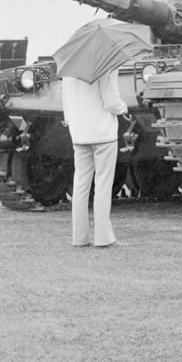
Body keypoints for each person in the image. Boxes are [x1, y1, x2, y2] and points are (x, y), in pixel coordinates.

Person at [62, 68, 128, 248]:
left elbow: (66, 102)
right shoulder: (106, 64)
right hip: (102, 132)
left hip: (79, 133)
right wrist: (124, 108)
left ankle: (79, 237)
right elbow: (111, 102)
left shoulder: (70, 67)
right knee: (103, 186)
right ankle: (103, 238)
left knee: (81, 185)